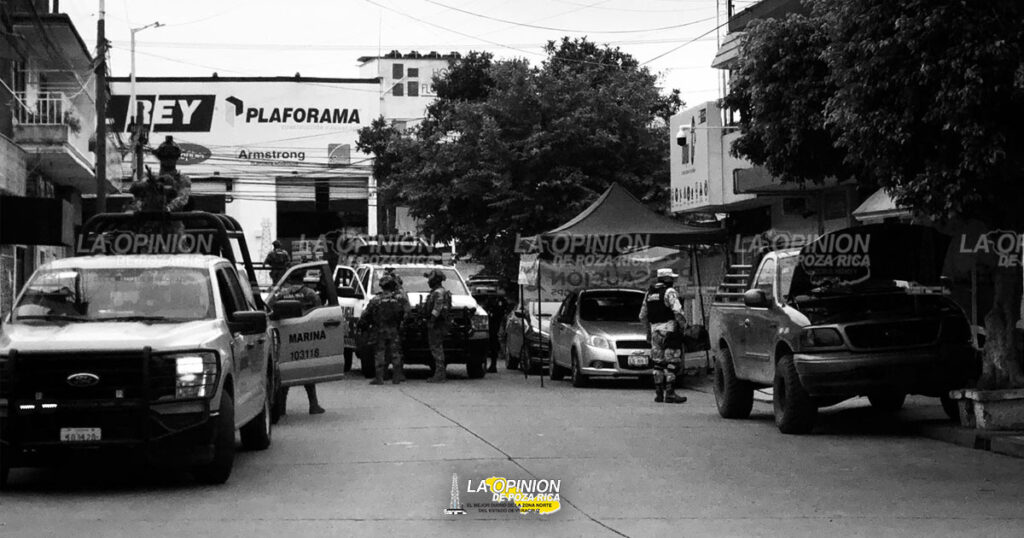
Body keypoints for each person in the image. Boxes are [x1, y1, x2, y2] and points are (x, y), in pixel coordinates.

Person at [267, 272, 325, 414]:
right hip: (305, 335)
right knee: (306, 368)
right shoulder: (310, 293)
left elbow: (269, 310)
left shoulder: (280, 294)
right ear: (302, 278)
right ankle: (313, 404)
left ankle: (281, 408)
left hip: (284, 334)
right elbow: (320, 312)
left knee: (285, 370)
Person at [639, 268, 689, 404]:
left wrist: (648, 332)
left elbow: (642, 316)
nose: (673, 280)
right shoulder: (669, 292)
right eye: (671, 278)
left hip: (655, 331)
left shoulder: (649, 293)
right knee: (672, 362)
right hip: (669, 331)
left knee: (658, 364)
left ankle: (659, 394)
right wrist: (684, 326)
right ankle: (670, 393)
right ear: (667, 279)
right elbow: (678, 311)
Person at [359, 273, 411, 385]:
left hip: (379, 331)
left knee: (380, 354)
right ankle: (396, 378)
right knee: (395, 353)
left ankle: (379, 378)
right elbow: (408, 312)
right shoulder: (399, 299)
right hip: (394, 330)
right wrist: (401, 323)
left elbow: (366, 315)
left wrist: (364, 326)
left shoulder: (376, 300)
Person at [423, 269, 452, 383]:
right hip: (439, 324)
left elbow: (437, 308)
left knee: (436, 348)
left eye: (430, 279)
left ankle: (440, 374)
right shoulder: (438, 291)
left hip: (437, 325)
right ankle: (440, 373)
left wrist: (432, 321)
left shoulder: (438, 292)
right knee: (437, 347)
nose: (428, 282)